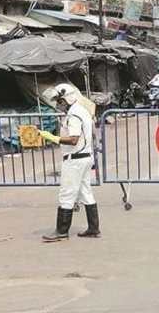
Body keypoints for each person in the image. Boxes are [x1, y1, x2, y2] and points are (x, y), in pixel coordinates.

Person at [39, 84, 100, 242]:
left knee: (66, 194)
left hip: (75, 159)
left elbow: (73, 139)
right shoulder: (82, 111)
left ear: (68, 97)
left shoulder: (74, 114)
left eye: (60, 100)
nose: (59, 104)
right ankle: (94, 228)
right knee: (86, 192)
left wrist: (53, 138)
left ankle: (61, 231)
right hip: (85, 157)